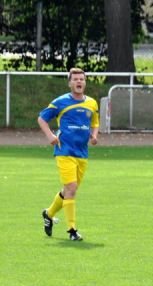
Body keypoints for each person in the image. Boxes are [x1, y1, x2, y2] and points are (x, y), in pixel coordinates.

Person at [38, 68, 99, 241]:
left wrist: (94, 136)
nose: (79, 82)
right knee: (71, 189)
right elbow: (42, 118)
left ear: (85, 82)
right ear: (70, 83)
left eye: (82, 79)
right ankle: (72, 230)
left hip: (82, 153)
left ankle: (48, 214)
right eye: (76, 79)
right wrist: (50, 135)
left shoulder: (92, 103)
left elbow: (95, 122)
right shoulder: (61, 102)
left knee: (68, 190)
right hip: (64, 151)